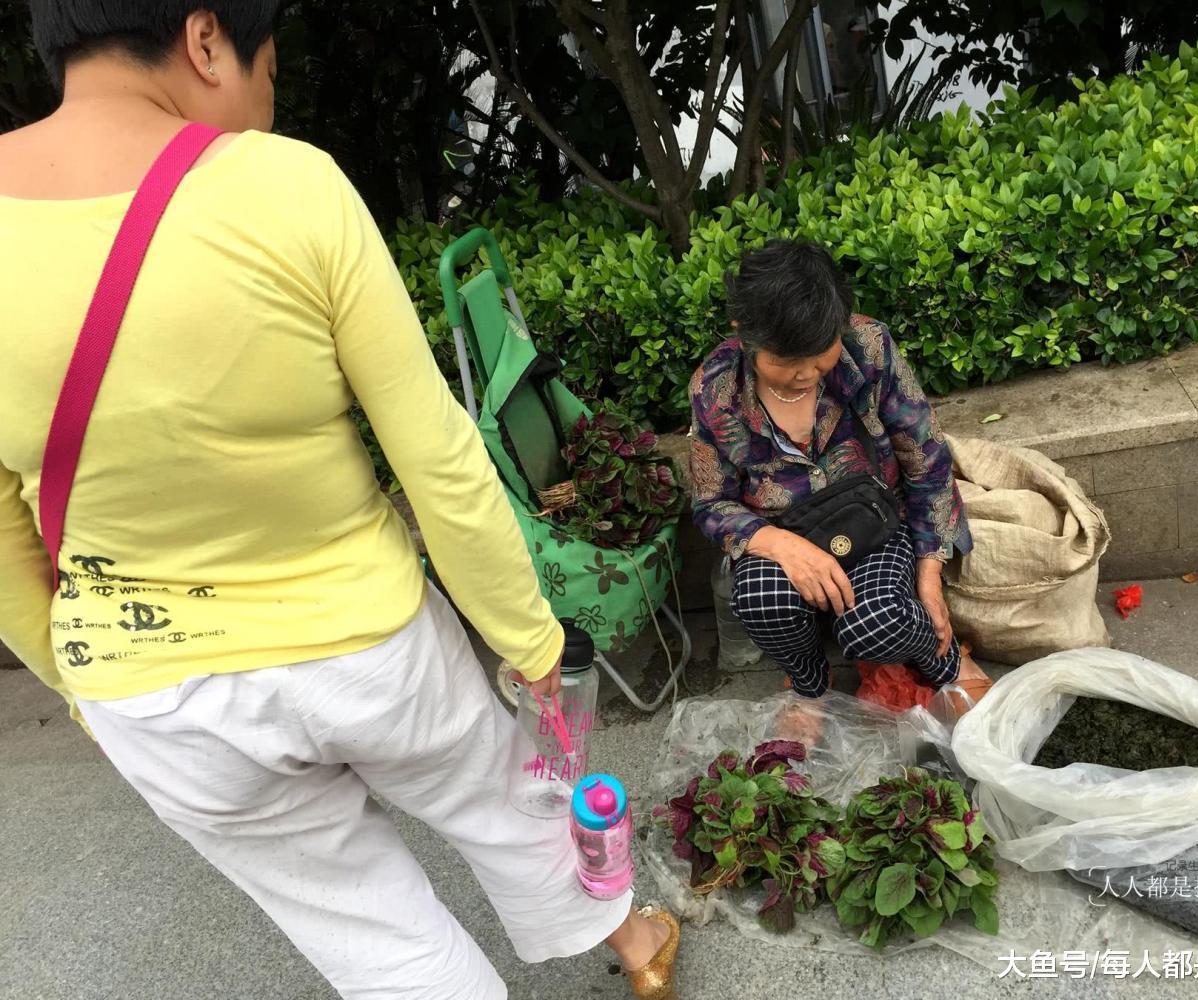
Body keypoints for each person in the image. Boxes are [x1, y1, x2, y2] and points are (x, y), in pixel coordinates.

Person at [0, 4, 677, 999]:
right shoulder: (285, 186)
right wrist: (530, 643)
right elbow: (437, 458)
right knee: (506, 798)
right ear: (205, 40)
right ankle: (637, 947)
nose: (262, 110)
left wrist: (82, 689)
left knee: (376, 941)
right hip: (368, 651)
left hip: (154, 690)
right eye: (267, 73)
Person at [689, 240, 994, 725]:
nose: (805, 374)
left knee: (877, 624)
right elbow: (711, 503)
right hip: (787, 534)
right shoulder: (717, 388)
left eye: (819, 355)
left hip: (876, 524)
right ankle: (809, 686)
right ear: (743, 334)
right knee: (761, 599)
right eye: (786, 361)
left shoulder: (868, 348)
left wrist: (930, 572)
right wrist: (782, 545)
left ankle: (948, 660)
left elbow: (926, 458)